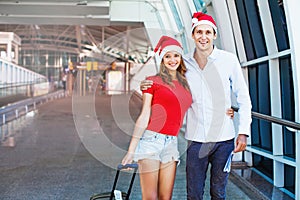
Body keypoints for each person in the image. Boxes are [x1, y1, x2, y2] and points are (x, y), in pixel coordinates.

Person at [141, 12, 252, 200]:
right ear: (192, 35)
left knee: (218, 192)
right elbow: (165, 83)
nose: (203, 36)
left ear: (214, 35)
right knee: (193, 194)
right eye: (199, 32)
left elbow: (243, 97)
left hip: (223, 139)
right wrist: (145, 85)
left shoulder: (229, 60)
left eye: (208, 32)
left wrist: (243, 131)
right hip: (195, 139)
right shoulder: (183, 63)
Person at [122, 35, 192, 200]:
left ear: (181, 57)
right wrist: (131, 151)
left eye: (176, 55)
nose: (172, 59)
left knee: (165, 197)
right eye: (167, 56)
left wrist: (227, 111)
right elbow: (144, 115)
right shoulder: (152, 82)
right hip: (151, 141)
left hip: (171, 143)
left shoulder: (187, 83)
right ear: (162, 60)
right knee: (150, 198)